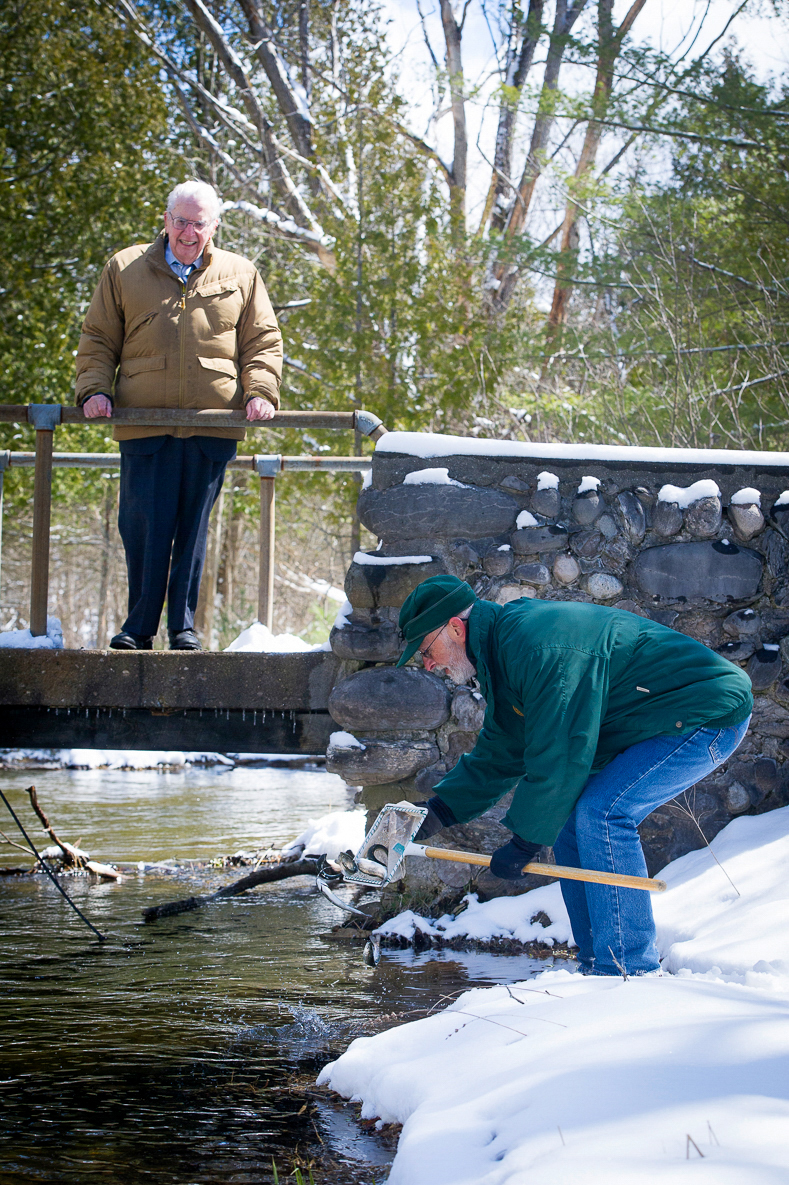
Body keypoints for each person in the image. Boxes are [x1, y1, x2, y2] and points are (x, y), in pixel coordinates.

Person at [396, 574, 753, 977]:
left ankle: (627, 969)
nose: (429, 664)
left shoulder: (537, 646)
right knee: (572, 820)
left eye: (427, 650)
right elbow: (505, 747)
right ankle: (595, 965)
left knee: (604, 813)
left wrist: (524, 844)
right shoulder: (502, 651)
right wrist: (438, 812)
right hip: (656, 720)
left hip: (707, 715)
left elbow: (560, 752)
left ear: (456, 629)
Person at [75, 179, 282, 650]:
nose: (189, 232)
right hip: (145, 423)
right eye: (181, 221)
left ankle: (183, 628)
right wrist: (93, 390)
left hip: (212, 424)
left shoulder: (241, 272)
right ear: (166, 220)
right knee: (144, 526)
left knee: (193, 531)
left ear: (215, 226)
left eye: (199, 223)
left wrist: (261, 391)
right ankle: (138, 628)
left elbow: (262, 342)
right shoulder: (125, 268)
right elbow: (98, 338)